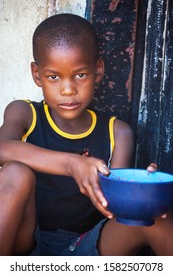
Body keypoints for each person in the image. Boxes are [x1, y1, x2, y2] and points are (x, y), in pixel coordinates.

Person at [0, 13, 172, 256]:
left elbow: (113, 209)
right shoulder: (24, 113)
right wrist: (72, 164)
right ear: (37, 75)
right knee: (15, 172)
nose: (68, 89)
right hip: (25, 243)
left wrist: (145, 192)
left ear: (98, 70)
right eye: (53, 77)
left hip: (81, 246)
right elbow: (2, 148)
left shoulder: (118, 132)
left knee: (155, 218)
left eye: (80, 75)